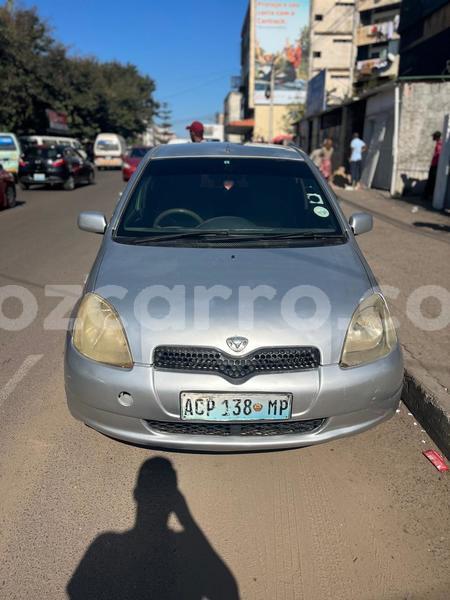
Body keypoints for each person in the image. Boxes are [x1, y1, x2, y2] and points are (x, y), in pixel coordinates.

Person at [423, 131, 442, 200]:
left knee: (431, 181)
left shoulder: (439, 144)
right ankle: (428, 195)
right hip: (434, 165)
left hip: (435, 166)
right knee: (431, 181)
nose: (432, 137)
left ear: (436, 137)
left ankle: (427, 196)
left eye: (433, 136)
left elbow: (439, 155)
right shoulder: (438, 143)